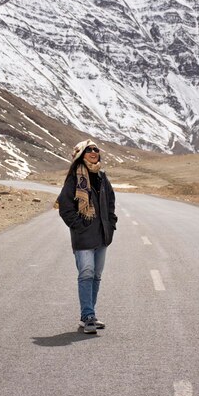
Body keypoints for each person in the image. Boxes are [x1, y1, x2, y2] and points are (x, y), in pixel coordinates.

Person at [57, 139, 117, 334]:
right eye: (88, 150)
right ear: (81, 155)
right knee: (86, 273)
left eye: (96, 149)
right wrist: (79, 226)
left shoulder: (101, 176)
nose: (93, 152)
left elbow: (110, 203)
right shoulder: (74, 178)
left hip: (102, 235)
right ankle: (88, 315)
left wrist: (111, 223)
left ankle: (88, 315)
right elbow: (65, 208)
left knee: (96, 276)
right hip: (83, 237)